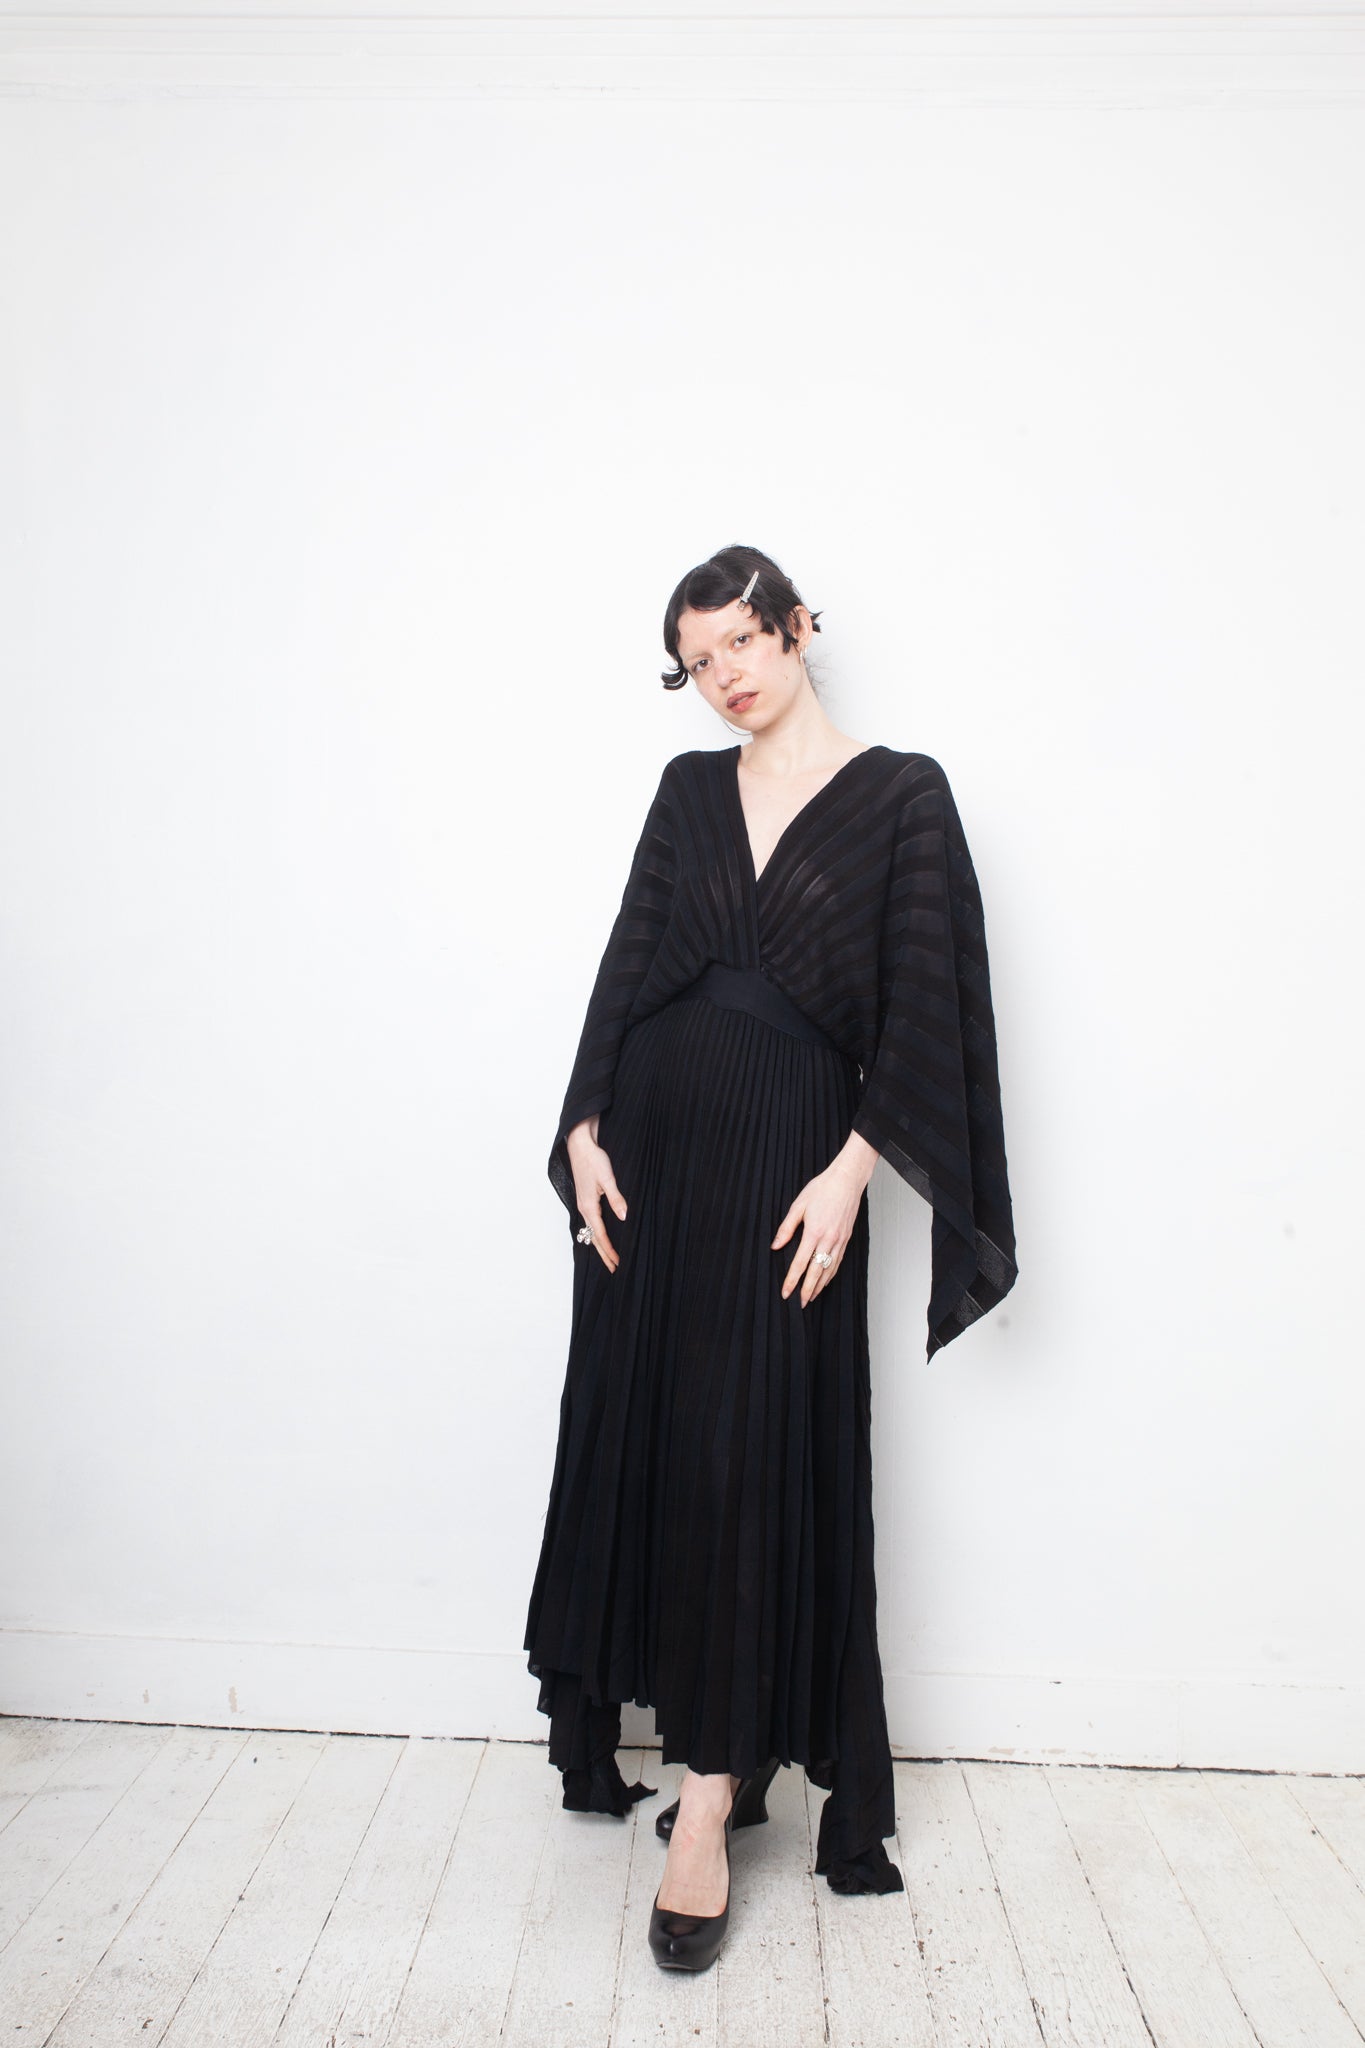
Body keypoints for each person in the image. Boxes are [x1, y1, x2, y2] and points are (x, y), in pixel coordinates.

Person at [523, 544, 1017, 1972]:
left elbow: (923, 1003)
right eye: (697, 660)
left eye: (742, 640)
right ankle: (700, 1753)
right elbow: (627, 964)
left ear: (799, 627)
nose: (724, 675)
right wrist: (583, 1126)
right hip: (653, 1160)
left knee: (751, 1456)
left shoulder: (902, 795)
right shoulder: (686, 792)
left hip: (794, 1158)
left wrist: (854, 1172)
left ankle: (712, 1797)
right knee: (662, 1448)